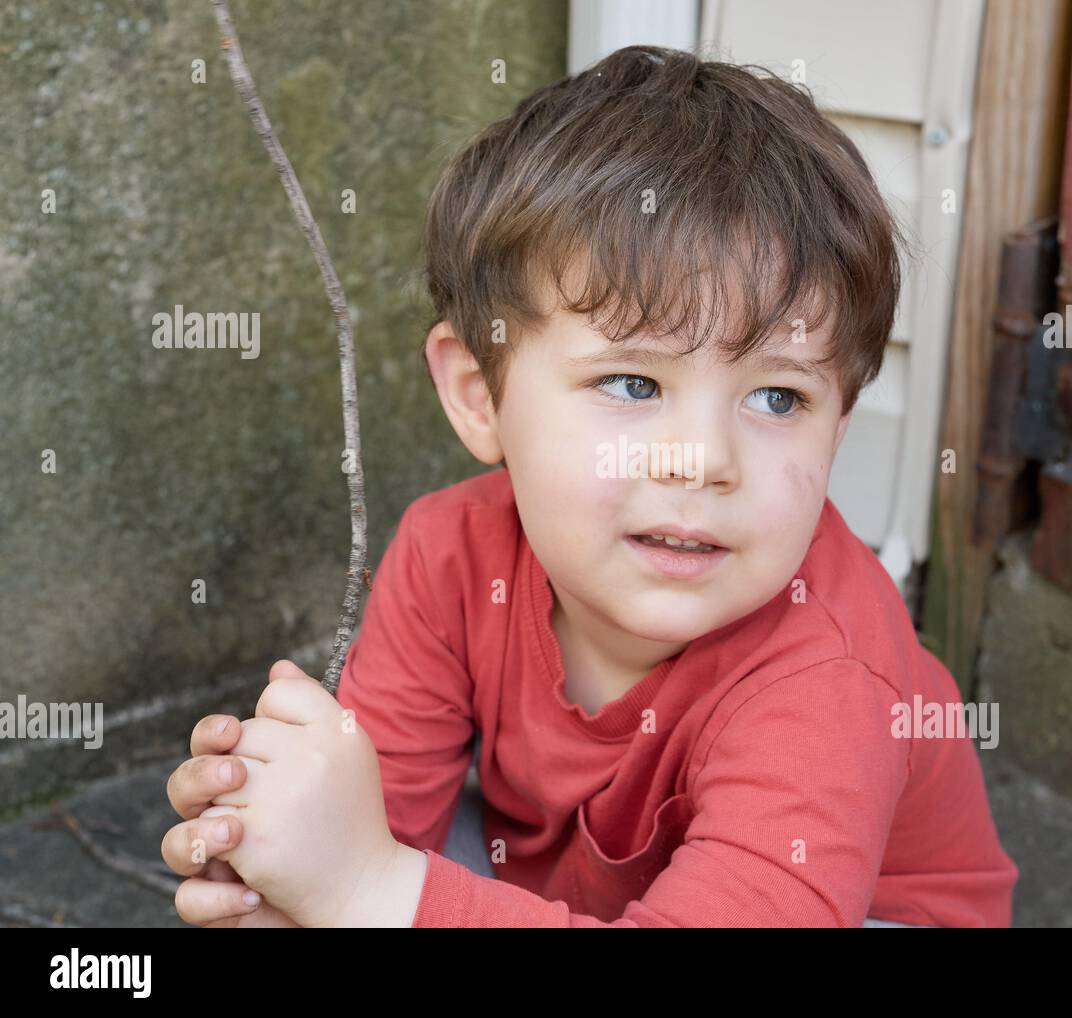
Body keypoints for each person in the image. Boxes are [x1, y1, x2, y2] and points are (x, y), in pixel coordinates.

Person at [162, 44, 1018, 928]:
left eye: (777, 397)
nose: (702, 460)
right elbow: (383, 835)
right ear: (478, 394)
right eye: (633, 384)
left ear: (837, 428)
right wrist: (280, 876)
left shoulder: (828, 677)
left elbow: (382, 889)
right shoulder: (451, 556)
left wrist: (366, 890)